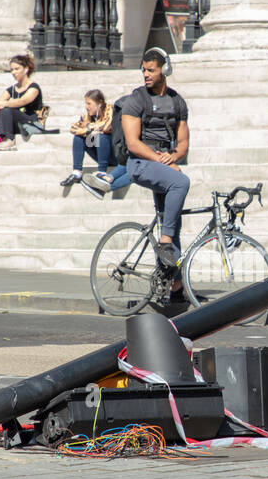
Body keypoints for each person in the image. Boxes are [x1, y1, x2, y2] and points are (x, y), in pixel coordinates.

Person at [122, 47, 191, 298]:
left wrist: (175, 155)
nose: (146, 74)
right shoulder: (137, 99)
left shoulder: (177, 101)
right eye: (144, 70)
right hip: (141, 163)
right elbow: (132, 143)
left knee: (173, 224)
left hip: (162, 162)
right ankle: (164, 242)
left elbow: (183, 141)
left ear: (165, 70)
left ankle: (174, 285)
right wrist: (162, 161)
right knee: (181, 184)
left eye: (151, 70)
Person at [63, 89, 124, 199]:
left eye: (89, 103)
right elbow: (74, 128)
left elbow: (106, 127)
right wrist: (91, 129)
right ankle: (77, 172)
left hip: (114, 154)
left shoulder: (111, 109)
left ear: (100, 103)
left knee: (101, 136)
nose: (87, 107)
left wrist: (90, 127)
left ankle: (102, 172)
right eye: (86, 103)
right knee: (79, 138)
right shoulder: (87, 116)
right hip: (98, 151)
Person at [0, 53, 43, 152]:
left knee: (6, 109)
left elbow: (22, 101)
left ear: (26, 69)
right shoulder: (13, 88)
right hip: (15, 122)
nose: (13, 72)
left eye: (17, 69)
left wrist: (4, 103)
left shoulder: (33, 88)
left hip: (31, 122)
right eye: (12, 70)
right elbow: (0, 100)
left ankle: (9, 138)